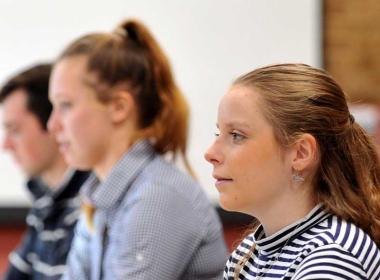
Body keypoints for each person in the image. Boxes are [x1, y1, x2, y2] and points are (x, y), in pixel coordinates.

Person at [47, 19, 227, 280]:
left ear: (119, 107)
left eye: (65, 105)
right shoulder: (100, 196)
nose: (52, 125)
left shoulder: (156, 196)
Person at [205, 63, 380, 280]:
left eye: (236, 135)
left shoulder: (333, 255)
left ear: (300, 153)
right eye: (218, 133)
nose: (210, 153)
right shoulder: (247, 255)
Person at [0, 64, 89, 279]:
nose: (5, 145)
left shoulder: (91, 204)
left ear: (54, 124)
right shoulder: (46, 200)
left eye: (15, 130)